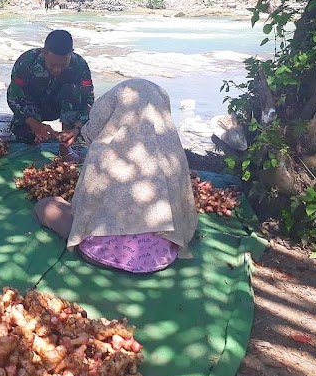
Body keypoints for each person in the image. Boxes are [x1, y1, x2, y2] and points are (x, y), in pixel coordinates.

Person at [34, 79, 198, 273]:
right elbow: (183, 212)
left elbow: (84, 211)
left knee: (46, 205)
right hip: (160, 258)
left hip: (99, 254)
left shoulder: (104, 152)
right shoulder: (173, 154)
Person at [7, 29, 94, 162]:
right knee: (23, 134)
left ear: (71, 54)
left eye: (62, 65)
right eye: (52, 65)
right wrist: (34, 124)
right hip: (34, 107)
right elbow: (14, 96)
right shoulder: (27, 61)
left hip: (65, 108)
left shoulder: (80, 65)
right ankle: (36, 136)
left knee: (72, 89)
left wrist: (76, 128)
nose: (57, 70)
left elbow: (88, 100)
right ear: (44, 53)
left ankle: (65, 147)